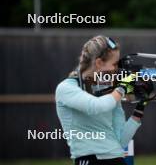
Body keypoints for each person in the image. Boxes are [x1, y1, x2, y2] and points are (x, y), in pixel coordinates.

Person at [55, 35, 150, 165]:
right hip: (89, 159)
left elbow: (121, 141)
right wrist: (123, 87)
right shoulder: (66, 88)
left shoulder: (110, 92)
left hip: (117, 158)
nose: (117, 70)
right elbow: (96, 106)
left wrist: (141, 104)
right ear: (99, 63)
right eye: (115, 64)